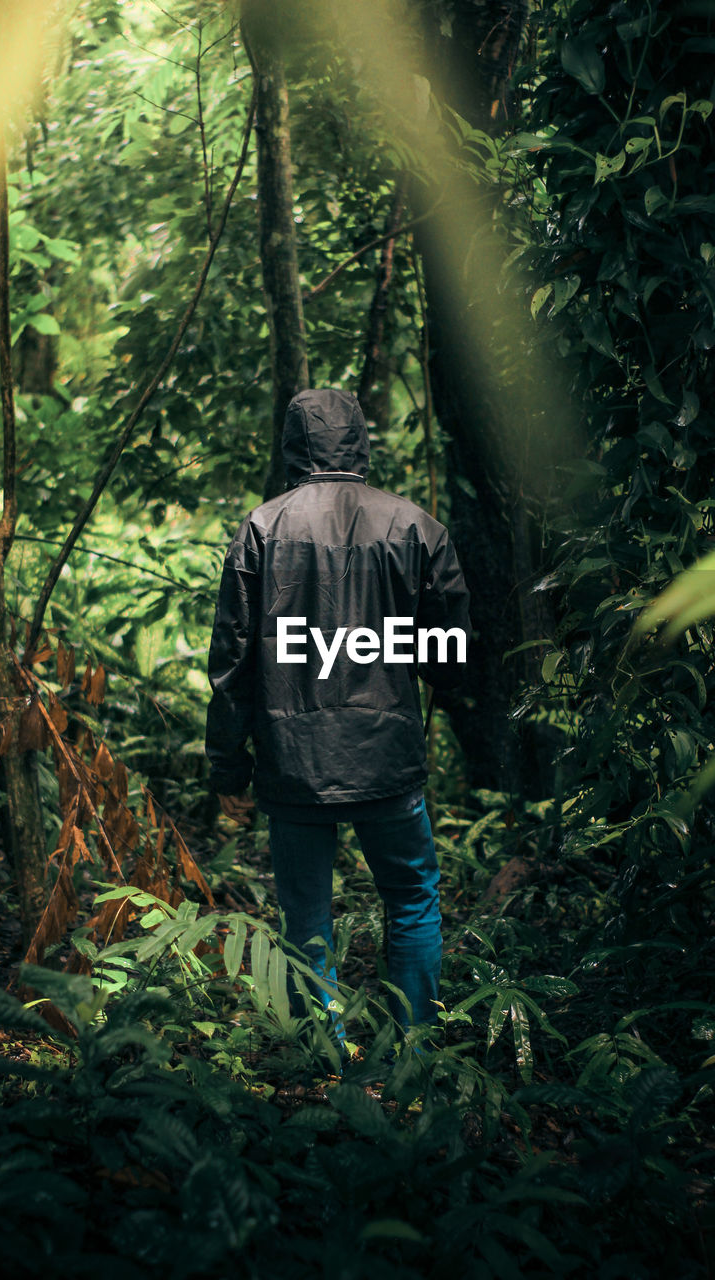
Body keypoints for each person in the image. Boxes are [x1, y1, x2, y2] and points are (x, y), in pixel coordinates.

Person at [205, 387, 470, 1046]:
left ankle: (317, 1061)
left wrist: (226, 761)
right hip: (388, 757)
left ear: (293, 443)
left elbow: (233, 660)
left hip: (292, 759)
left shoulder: (262, 528)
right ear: (359, 439)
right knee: (410, 897)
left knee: (305, 915)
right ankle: (414, 1049)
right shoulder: (414, 526)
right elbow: (449, 652)